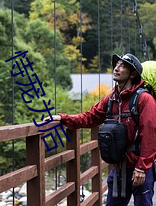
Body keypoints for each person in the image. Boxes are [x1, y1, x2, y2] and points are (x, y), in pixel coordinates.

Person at [44, 53, 156, 206]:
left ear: (133, 74)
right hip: (119, 167)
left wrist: (142, 168)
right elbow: (90, 117)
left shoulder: (144, 99)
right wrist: (63, 118)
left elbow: (150, 134)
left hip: (139, 167)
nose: (116, 68)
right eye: (116, 65)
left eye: (122, 66)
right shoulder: (111, 99)